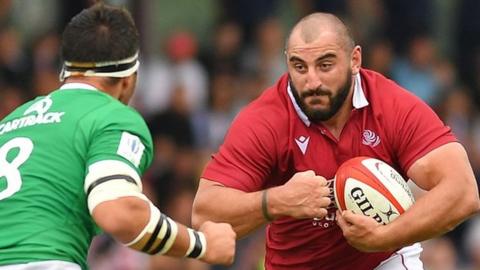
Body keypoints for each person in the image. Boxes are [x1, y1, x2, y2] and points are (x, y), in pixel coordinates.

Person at [192, 12, 480, 270]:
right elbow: (204, 214)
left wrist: (384, 237)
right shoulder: (265, 119)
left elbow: (463, 191)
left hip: (384, 260)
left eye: (325, 65)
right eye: (299, 67)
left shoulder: (391, 105)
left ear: (355, 60)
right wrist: (277, 201)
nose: (312, 81)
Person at [0, 4, 236, 270]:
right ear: (128, 79)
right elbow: (116, 211)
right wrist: (201, 244)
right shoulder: (111, 116)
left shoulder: (11, 122)